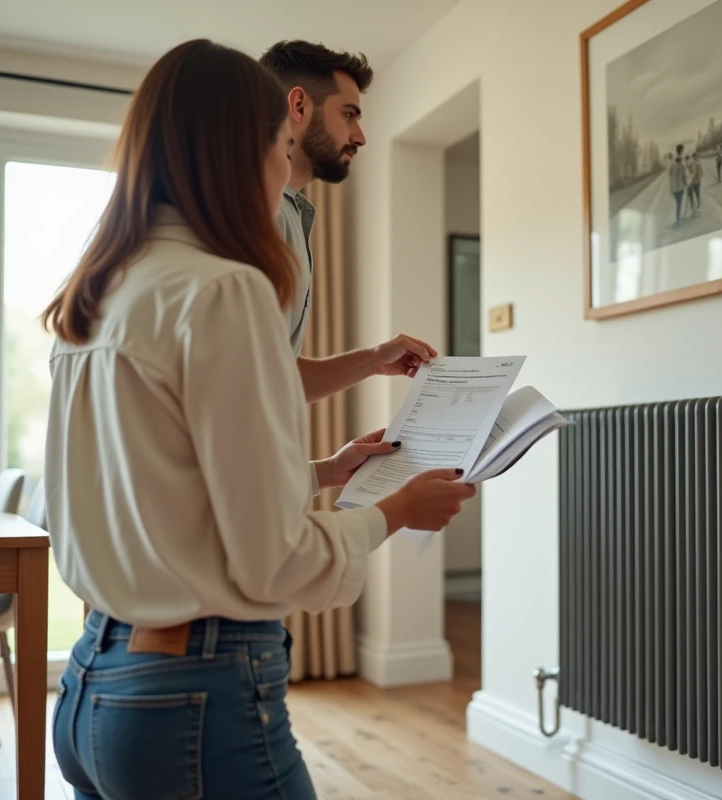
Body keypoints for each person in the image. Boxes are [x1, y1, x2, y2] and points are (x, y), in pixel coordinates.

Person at [40, 39, 475, 800]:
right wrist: (397, 510)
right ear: (237, 151)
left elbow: (165, 488)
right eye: (279, 146)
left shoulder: (100, 295)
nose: (285, 175)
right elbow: (275, 561)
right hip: (195, 696)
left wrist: (322, 473)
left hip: (92, 685)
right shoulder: (225, 291)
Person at [259, 40, 432, 402]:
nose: (360, 137)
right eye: (349, 115)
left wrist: (372, 361)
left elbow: (274, 374)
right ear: (299, 106)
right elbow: (241, 382)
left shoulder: (291, 211)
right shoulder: (261, 211)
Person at [670, 143, 687, 225]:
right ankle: (678, 220)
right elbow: (683, 174)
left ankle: (678, 219)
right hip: (680, 186)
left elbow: (670, 173)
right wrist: (686, 183)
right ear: (681, 151)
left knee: (678, 204)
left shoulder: (673, 162)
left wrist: (672, 188)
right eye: (683, 150)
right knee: (679, 204)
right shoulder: (681, 161)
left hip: (675, 187)